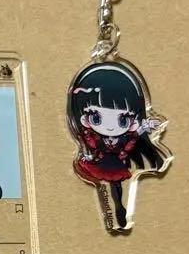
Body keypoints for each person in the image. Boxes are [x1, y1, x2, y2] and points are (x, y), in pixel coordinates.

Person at [67, 61, 169, 230]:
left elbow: (132, 138)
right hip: (99, 162)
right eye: (96, 117)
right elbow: (91, 142)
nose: (109, 128)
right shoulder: (92, 136)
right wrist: (89, 151)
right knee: (106, 186)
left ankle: (120, 209)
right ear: (82, 116)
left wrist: (144, 127)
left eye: (123, 120)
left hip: (116, 163)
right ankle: (115, 212)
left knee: (116, 185)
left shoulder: (124, 137)